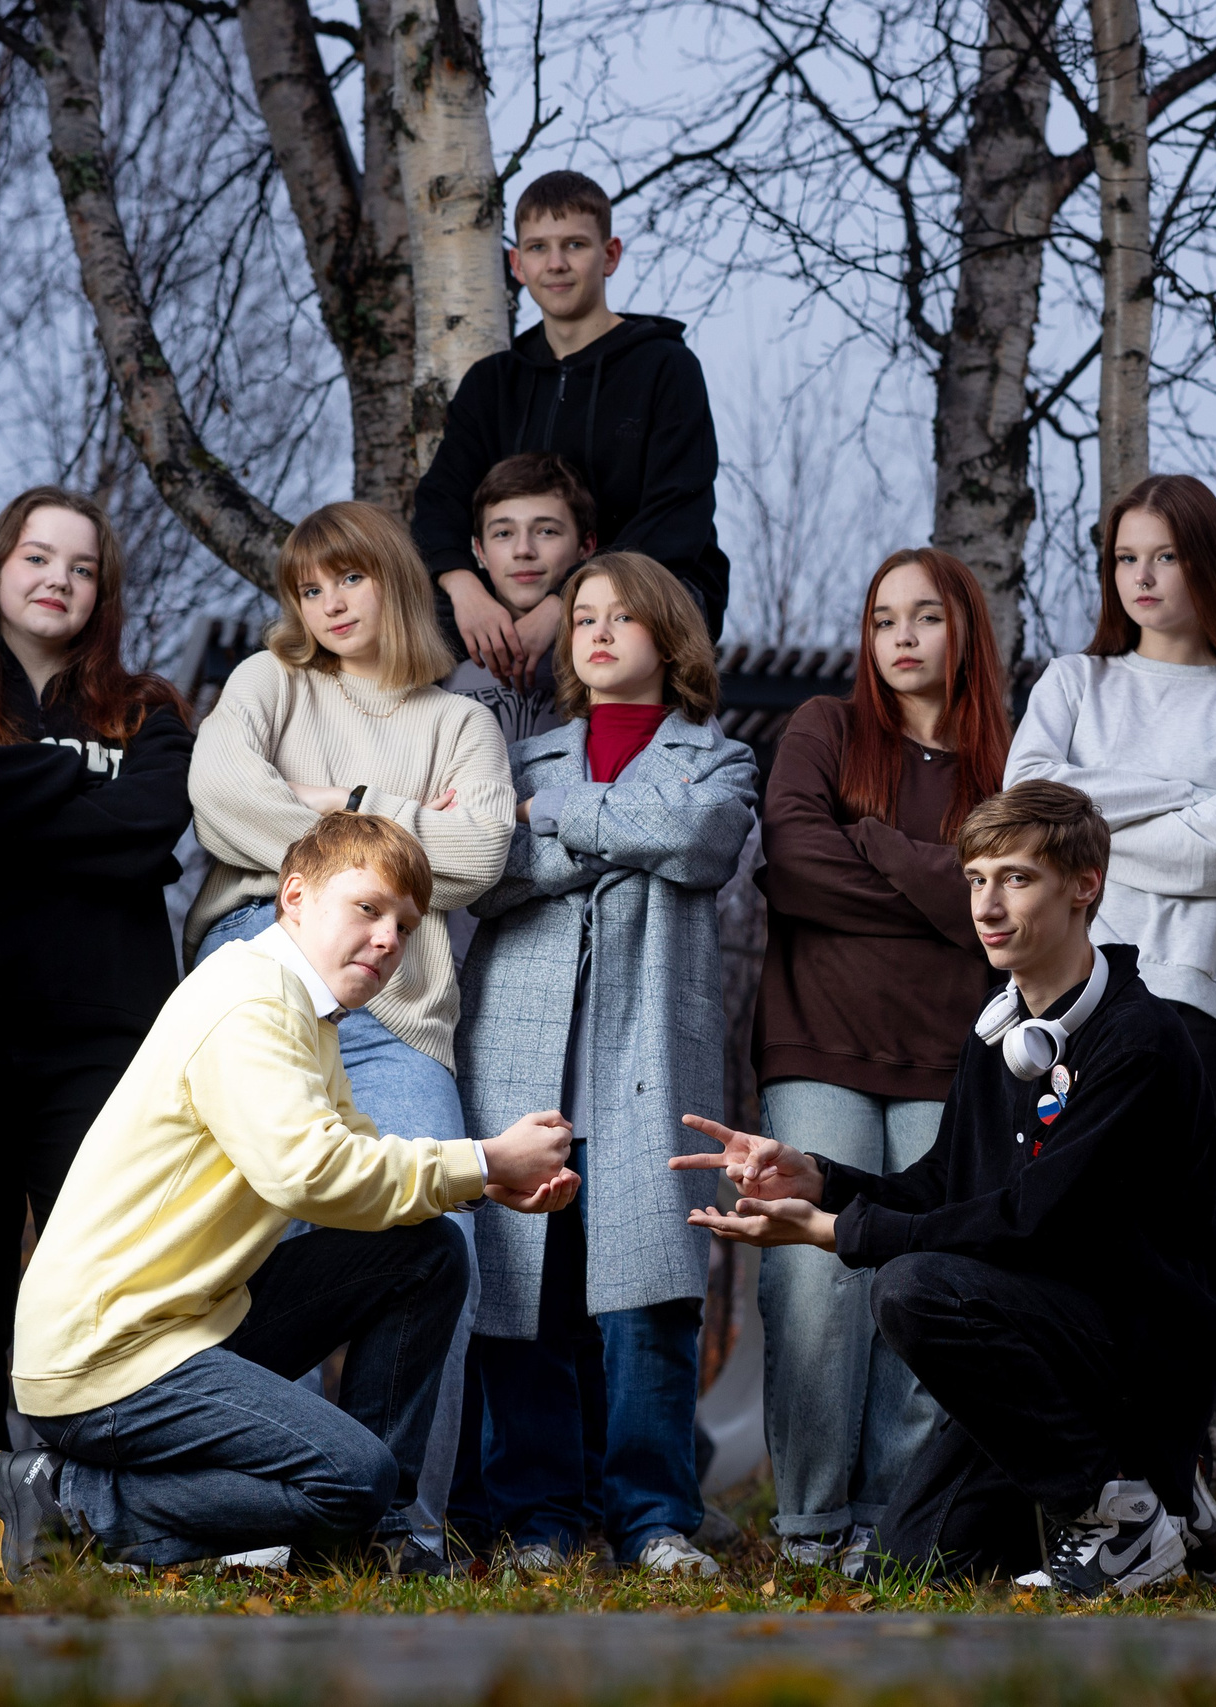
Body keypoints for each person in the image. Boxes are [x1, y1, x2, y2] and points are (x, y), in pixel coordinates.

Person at [677, 781, 1216, 1597]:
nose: (987, 904)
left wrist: (839, 1233)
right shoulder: (1002, 1031)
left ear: (1084, 884)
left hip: (1137, 1359)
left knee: (913, 1288)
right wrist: (824, 1178)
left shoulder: (1142, 1041)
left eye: (1017, 878)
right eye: (977, 878)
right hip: (1043, 1360)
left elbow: (1029, 1223)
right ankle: (1160, 1510)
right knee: (903, 1566)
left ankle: (1123, 1509)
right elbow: (943, 1184)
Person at [0, 813, 581, 1580]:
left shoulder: (308, 1015)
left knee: (428, 1250)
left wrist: (488, 1180)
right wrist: (484, 1154)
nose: (389, 939)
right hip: (107, 1352)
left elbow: (360, 1158)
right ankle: (70, 1499)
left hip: (186, 1320)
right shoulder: (250, 999)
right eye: (368, 908)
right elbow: (309, 1173)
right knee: (352, 1477)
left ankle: (368, 1540)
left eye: (405, 925)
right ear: (295, 896)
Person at [185, 499, 515, 1550]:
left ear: (396, 579)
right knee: (266, 1236)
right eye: (308, 587)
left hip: (394, 1007)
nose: (327, 603)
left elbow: (482, 854)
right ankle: (256, 1514)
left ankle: (392, 1525)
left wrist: (341, 799)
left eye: (349, 578)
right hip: (262, 971)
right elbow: (218, 796)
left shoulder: (460, 720)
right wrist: (402, 830)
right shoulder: (268, 681)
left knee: (441, 1233)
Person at [457, 552, 758, 1577]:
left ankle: (653, 1520)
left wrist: (560, 818)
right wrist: (617, 832)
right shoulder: (521, 756)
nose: (594, 630)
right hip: (519, 1060)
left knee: (649, 1307)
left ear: (667, 637)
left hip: (648, 1064)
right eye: (583, 615)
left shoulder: (718, 759)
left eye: (620, 616)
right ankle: (538, 1520)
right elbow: (490, 872)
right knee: (524, 1304)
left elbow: (700, 838)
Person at [0, 487, 196, 1544]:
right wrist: (68, 794)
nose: (57, 580)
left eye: (81, 567)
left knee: (103, 1280)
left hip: (103, 1040)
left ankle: (106, 1510)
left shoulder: (148, 709)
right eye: (37, 557)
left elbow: (147, 828)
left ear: (103, 593)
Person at [750, 547, 1009, 1576]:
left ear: (965, 630)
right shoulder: (827, 727)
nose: (901, 636)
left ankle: (892, 1523)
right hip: (817, 1040)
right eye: (883, 618)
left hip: (952, 1059)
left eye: (926, 616)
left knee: (920, 1277)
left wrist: (877, 845)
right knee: (814, 1279)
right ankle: (812, 1526)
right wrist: (941, 889)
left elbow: (998, 905)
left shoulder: (1002, 762)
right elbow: (792, 863)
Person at [1004, 474, 1216, 1141]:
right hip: (1069, 986)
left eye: (1166, 556)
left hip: (1196, 991)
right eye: (1126, 557)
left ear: (1208, 562)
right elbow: (1025, 804)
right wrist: (1184, 794)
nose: (1142, 576)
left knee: (1162, 1200)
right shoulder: (1074, 681)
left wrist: (1079, 839)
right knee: (1050, 1192)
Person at [410, 169, 729, 674]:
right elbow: (439, 500)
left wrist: (567, 604)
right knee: (403, 623)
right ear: (517, 264)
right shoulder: (493, 383)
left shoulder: (665, 368)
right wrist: (464, 586)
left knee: (629, 618)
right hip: (513, 591)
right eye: (538, 248)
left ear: (610, 255)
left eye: (574, 245)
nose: (556, 263)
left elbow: (676, 515)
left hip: (645, 587)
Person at [437, 452, 596, 747]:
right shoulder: (435, 649)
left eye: (546, 531)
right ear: (480, 551)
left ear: (586, 546)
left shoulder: (608, 646)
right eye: (503, 533)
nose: (523, 550)